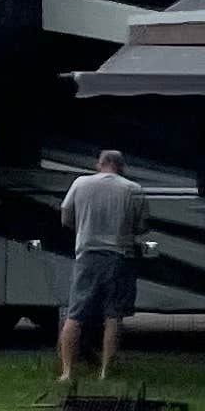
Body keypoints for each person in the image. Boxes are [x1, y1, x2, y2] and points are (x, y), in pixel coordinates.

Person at [57, 147, 149, 393]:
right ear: (121, 166)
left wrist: (84, 227)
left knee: (74, 315)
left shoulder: (80, 183)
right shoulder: (134, 190)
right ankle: (105, 370)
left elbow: (66, 217)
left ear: (102, 163)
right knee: (113, 317)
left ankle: (67, 371)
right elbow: (141, 226)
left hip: (86, 254)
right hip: (118, 257)